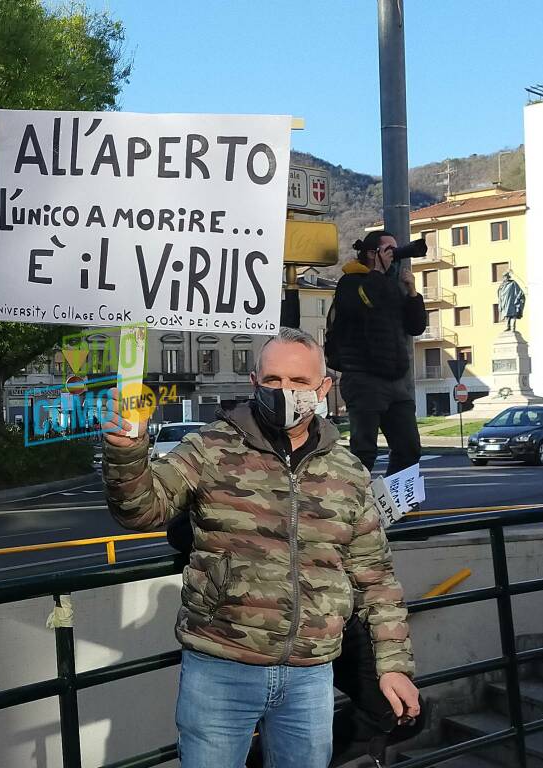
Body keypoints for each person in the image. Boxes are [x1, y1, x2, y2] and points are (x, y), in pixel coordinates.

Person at [103, 327, 420, 768]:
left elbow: (376, 578)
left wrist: (393, 666)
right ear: (254, 383)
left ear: (324, 388)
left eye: (299, 382)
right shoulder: (210, 448)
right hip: (220, 670)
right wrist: (126, 454)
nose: (285, 391)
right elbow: (142, 509)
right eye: (272, 381)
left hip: (311, 676)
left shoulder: (348, 471)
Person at [326, 231, 428, 475]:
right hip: (363, 377)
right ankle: (355, 507)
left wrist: (412, 292)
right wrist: (378, 272)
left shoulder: (392, 287)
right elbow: (364, 302)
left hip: (395, 381)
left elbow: (416, 327)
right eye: (388, 250)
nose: (394, 255)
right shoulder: (350, 283)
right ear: (372, 254)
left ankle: (396, 510)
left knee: (409, 449)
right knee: (364, 451)